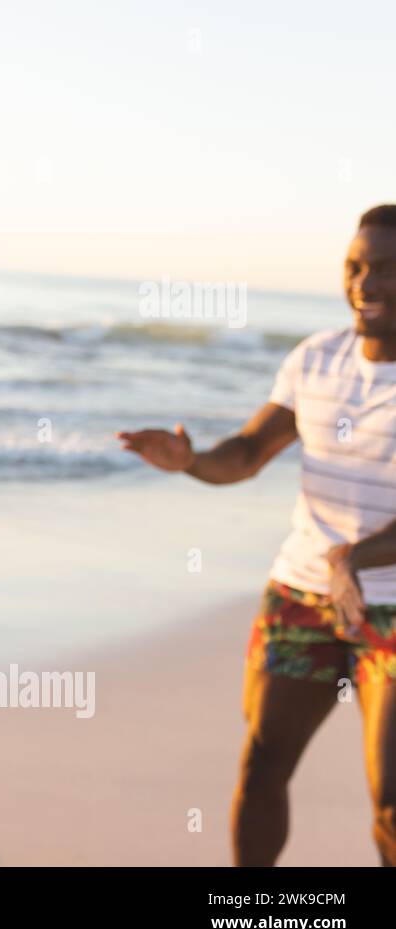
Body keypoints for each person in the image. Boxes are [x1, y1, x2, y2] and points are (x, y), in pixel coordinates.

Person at [117, 203, 396, 866]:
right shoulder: (317, 359)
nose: (365, 282)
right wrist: (191, 462)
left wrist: (353, 558)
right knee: (262, 766)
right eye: (355, 266)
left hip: (387, 603)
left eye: (386, 268)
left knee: (390, 796)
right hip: (302, 593)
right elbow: (245, 453)